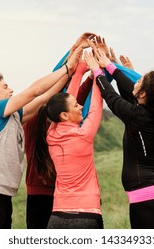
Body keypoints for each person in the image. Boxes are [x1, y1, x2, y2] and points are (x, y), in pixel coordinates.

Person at [0, 46, 82, 229]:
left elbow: (45, 97)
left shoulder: (13, 117)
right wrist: (66, 68)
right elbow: (35, 91)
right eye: (5, 86)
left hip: (1, 200)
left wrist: (70, 70)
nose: (11, 89)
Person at [88, 44, 154, 229]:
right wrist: (110, 65)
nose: (135, 82)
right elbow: (128, 90)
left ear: (144, 93)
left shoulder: (139, 116)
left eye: (139, 81)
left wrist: (96, 70)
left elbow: (111, 97)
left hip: (149, 200)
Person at [23, 33, 96, 229]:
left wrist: (74, 54)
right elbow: (65, 91)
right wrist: (89, 71)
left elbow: (66, 92)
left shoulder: (36, 124)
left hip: (44, 195)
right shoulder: (54, 128)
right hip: (58, 197)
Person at [32, 58, 104, 229]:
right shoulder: (83, 134)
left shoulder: (52, 134)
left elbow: (66, 101)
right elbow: (96, 107)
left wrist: (79, 72)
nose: (80, 107)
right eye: (77, 106)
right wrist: (97, 74)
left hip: (57, 216)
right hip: (87, 215)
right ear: (64, 115)